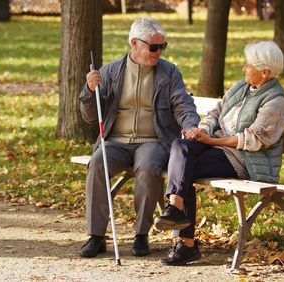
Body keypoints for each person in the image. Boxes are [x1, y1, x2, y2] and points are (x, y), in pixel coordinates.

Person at [154, 41, 284, 266]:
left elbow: (254, 139)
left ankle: (185, 242)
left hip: (243, 158)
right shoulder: (242, 86)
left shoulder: (276, 101)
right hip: (215, 144)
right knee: (180, 147)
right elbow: (217, 111)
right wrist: (202, 131)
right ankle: (176, 209)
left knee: (183, 169)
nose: (244, 69)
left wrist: (211, 140)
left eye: (249, 65)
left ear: (265, 72)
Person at [78, 18, 200, 258]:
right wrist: (89, 91)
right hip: (115, 140)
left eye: (162, 46)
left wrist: (191, 126)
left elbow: (182, 104)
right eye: (153, 47)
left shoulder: (169, 72)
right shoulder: (110, 71)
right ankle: (96, 236)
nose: (159, 52)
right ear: (134, 43)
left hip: (152, 142)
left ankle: (141, 235)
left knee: (146, 168)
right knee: (97, 163)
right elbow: (92, 117)